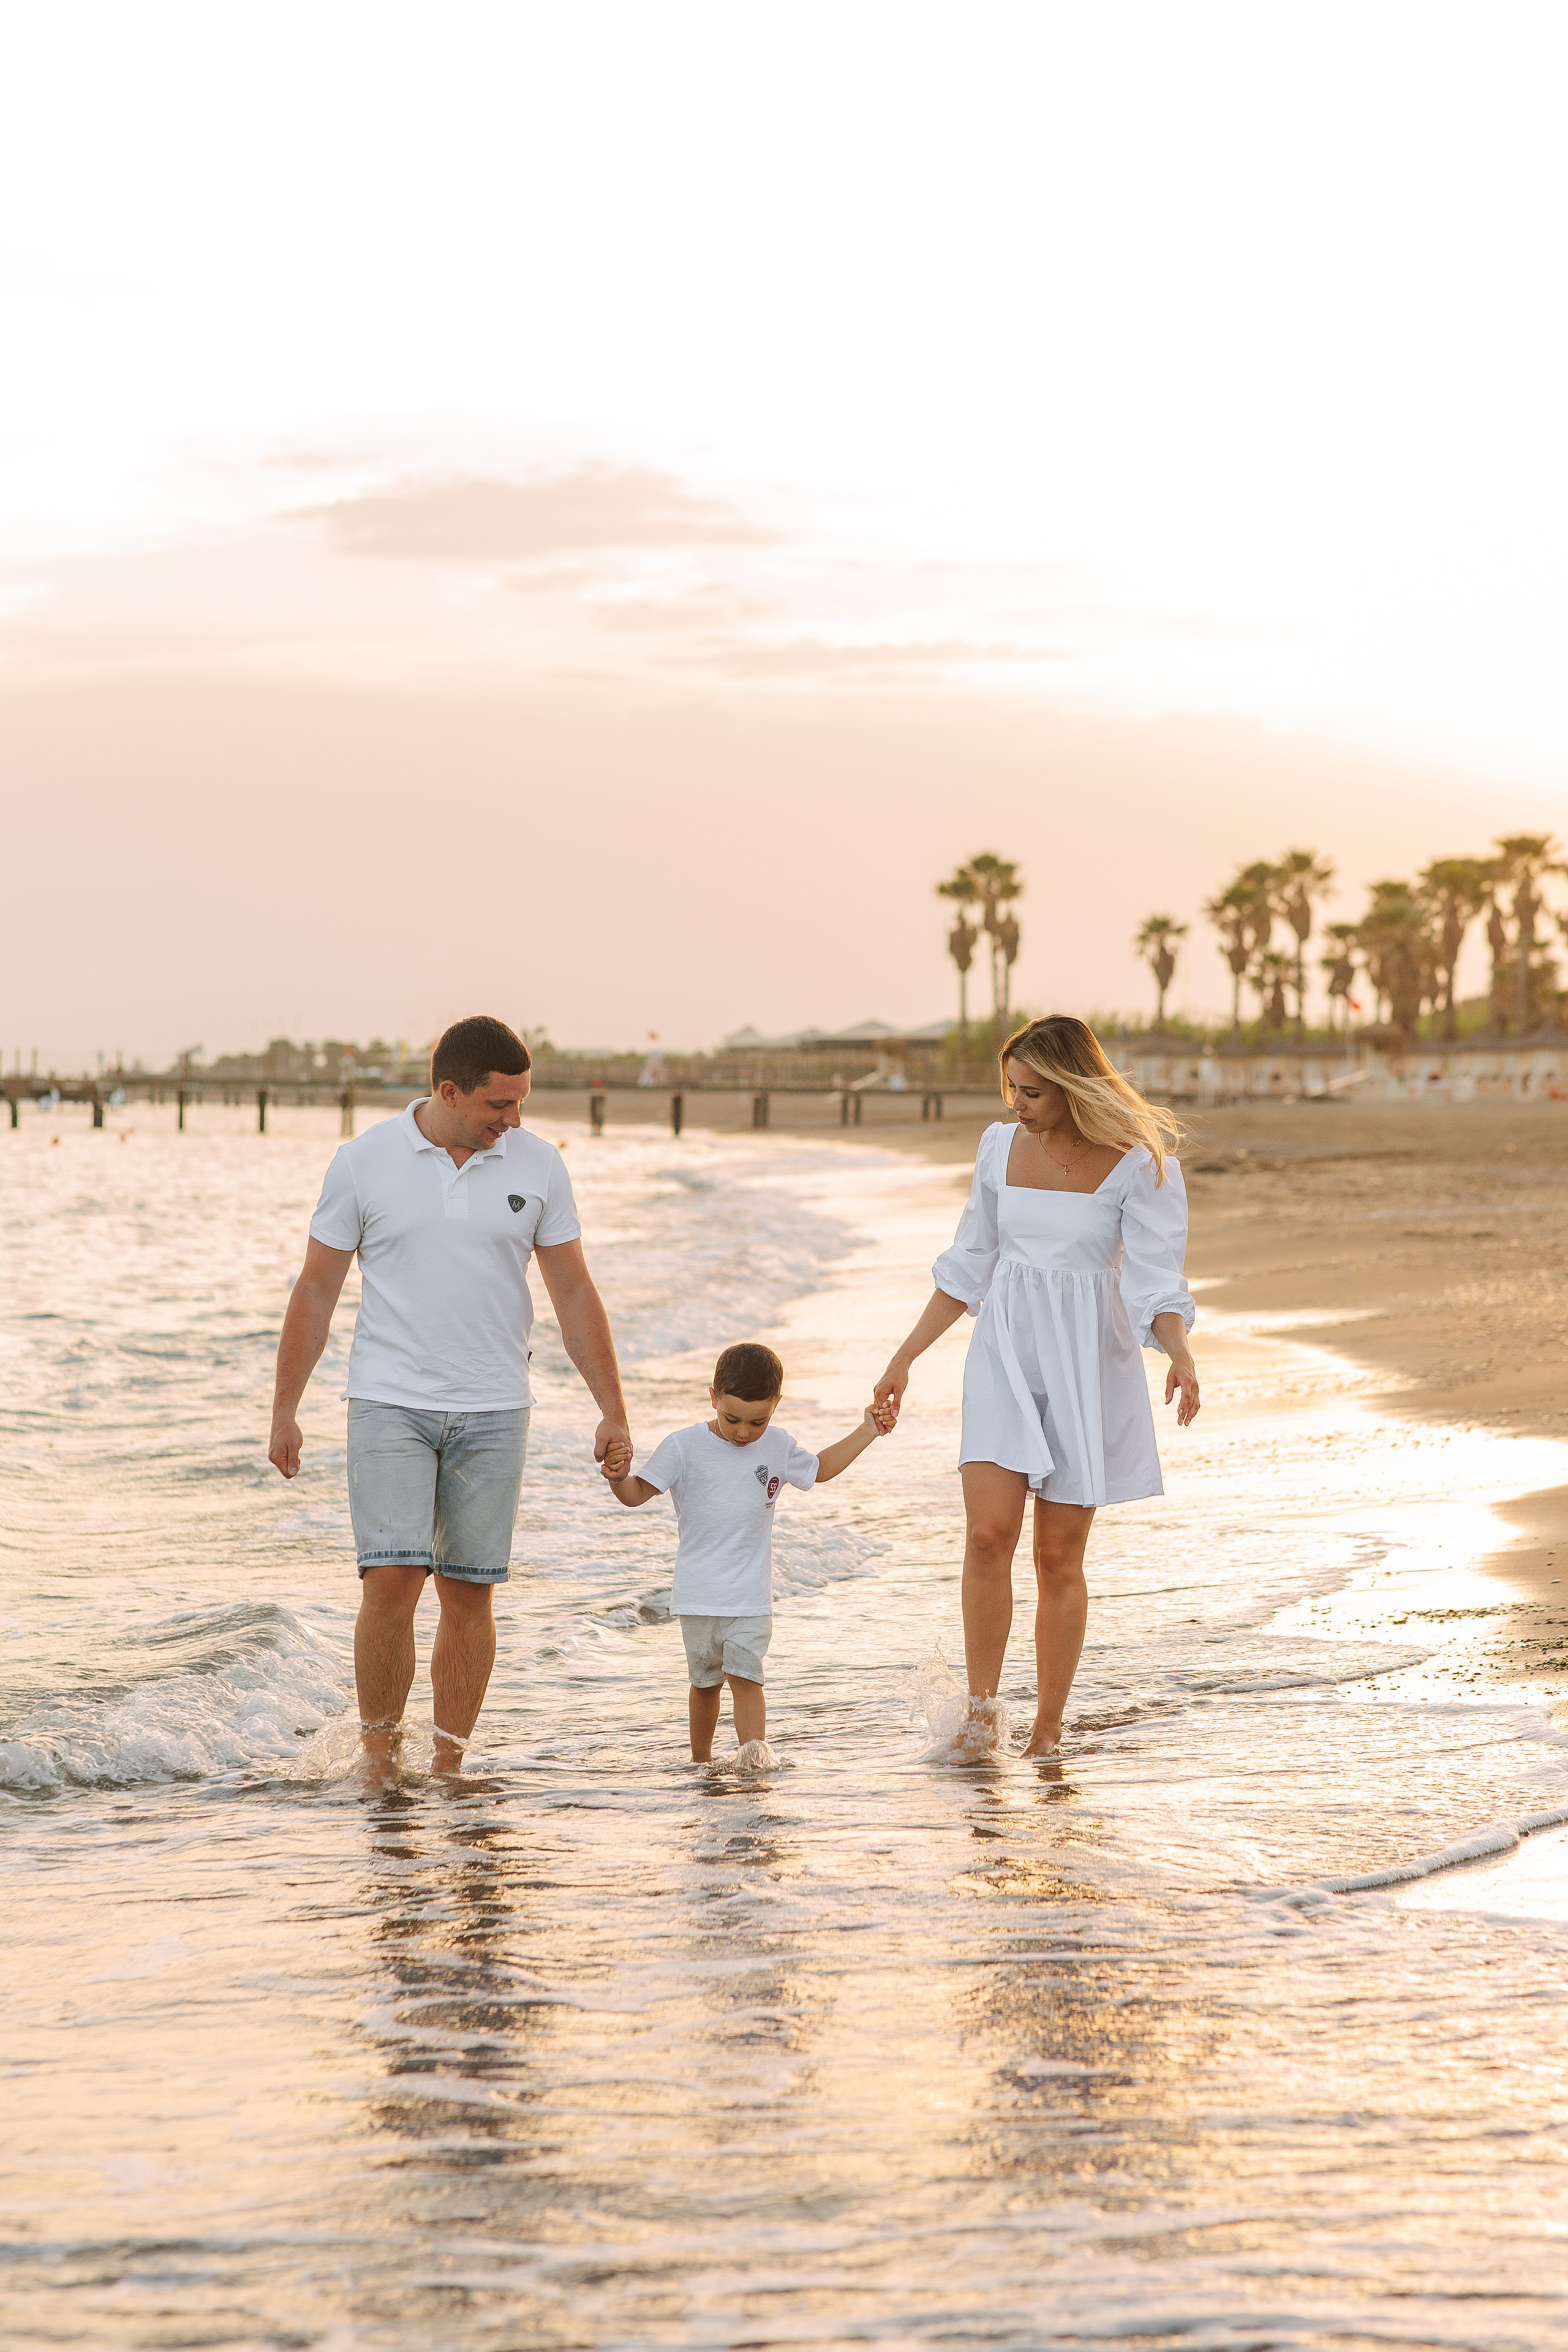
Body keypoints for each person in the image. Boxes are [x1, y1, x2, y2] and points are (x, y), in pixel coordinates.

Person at [268, 1014, 631, 1774]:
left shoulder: (539, 1165)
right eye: (499, 1106)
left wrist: (612, 1408)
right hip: (388, 1399)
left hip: (496, 1404)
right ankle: (379, 1761)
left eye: (522, 1103)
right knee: (393, 1580)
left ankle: (450, 1765)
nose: (515, 1120)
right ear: (448, 1091)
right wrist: (286, 1410)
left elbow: (572, 1291)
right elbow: (316, 1290)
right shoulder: (364, 1163)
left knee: (470, 1593)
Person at [874, 1016, 1199, 1762]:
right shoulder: (997, 1147)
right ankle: (983, 1716)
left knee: (1058, 1555)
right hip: (1005, 1354)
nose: (1017, 1104)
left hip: (1086, 1363)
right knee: (989, 1535)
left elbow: (1155, 1283)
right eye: (1010, 1088)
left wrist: (1180, 1356)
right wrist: (905, 1358)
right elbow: (968, 1265)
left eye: (1033, 1092)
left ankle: (1047, 1728)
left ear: (1074, 1086)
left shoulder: (1140, 1164)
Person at [603, 1341, 892, 1760]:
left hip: (751, 1598)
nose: (743, 1432)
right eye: (732, 1418)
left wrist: (868, 1429)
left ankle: (754, 1761)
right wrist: (618, 1477)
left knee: (747, 1677)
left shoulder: (776, 1445)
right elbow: (635, 1494)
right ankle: (700, 1762)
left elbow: (820, 1469)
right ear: (713, 1397)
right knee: (704, 1684)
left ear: (776, 1404)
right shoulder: (684, 1446)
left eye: (758, 1421)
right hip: (699, 1595)